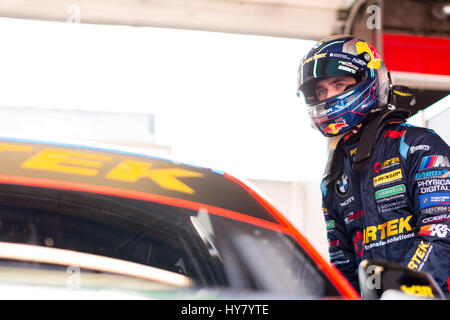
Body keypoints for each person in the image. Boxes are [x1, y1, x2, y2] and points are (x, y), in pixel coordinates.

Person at [296, 35, 450, 297]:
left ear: (370, 79)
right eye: (321, 91)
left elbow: (441, 234)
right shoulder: (333, 177)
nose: (328, 96)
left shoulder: (418, 147)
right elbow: (343, 264)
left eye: (339, 84)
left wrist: (398, 293)